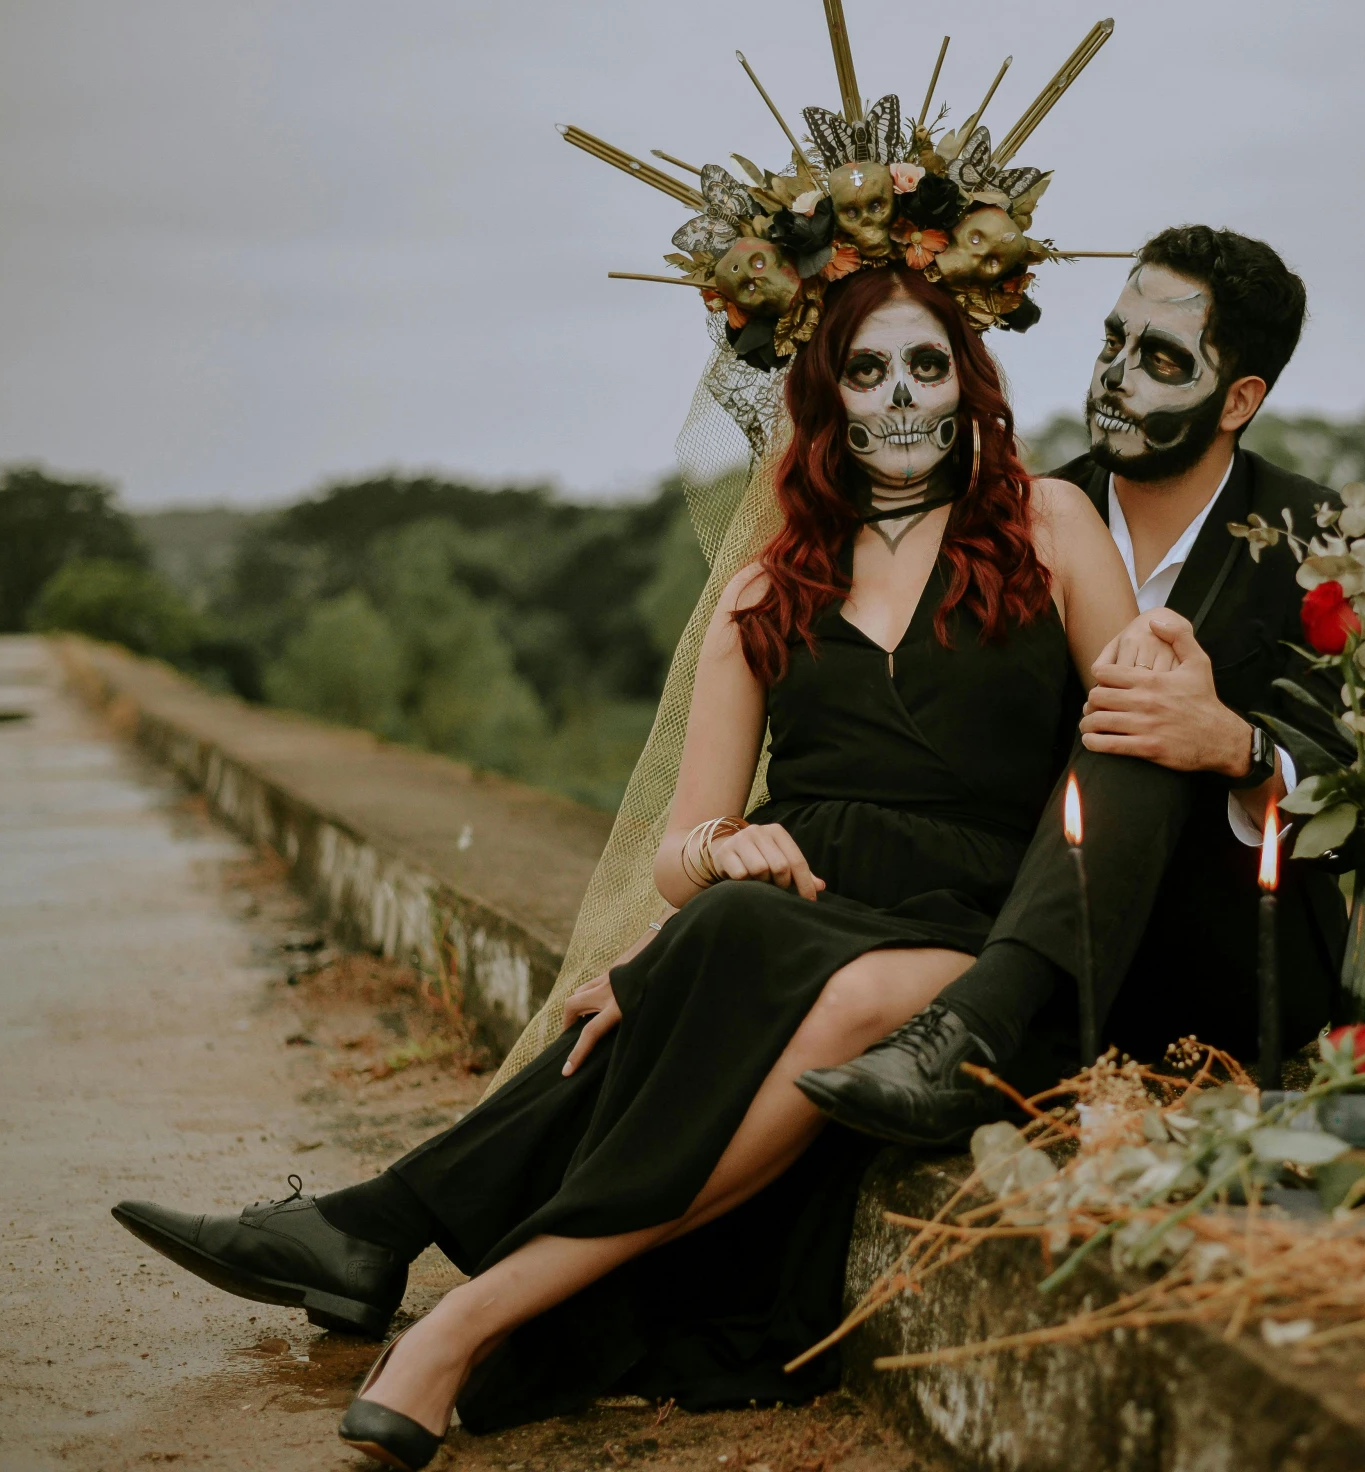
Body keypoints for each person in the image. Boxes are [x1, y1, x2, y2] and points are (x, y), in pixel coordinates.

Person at [112, 265, 1141, 1467]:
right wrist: (719, 853)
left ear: (969, 379)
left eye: (927, 363)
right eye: (867, 368)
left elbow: (1137, 746)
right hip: (803, 908)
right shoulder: (771, 575)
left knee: (743, 955)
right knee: (722, 927)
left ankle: (431, 1292)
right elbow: (679, 848)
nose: (900, 394)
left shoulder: (1051, 523)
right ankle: (388, 1250)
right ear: (827, 391)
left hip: (982, 931)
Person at [798, 225, 1358, 1147]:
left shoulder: (1318, 544)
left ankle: (969, 1034)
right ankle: (971, 1024)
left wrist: (1234, 747)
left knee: (1139, 719)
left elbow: (1359, 811)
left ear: (1239, 398)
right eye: (1112, 341)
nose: (1116, 376)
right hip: (1022, 966)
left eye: (1162, 357)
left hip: (1233, 981)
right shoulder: (1011, 518)